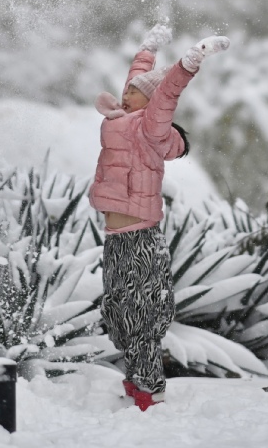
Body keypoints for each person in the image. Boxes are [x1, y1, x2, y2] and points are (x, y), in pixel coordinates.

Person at [89, 24, 229, 411]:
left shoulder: (149, 127)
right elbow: (140, 78)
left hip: (139, 240)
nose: (126, 92)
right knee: (118, 311)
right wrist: (147, 48)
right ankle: (137, 378)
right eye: (126, 90)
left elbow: (165, 92)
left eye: (133, 92)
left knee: (140, 313)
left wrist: (189, 62)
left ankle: (151, 387)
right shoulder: (122, 118)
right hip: (116, 238)